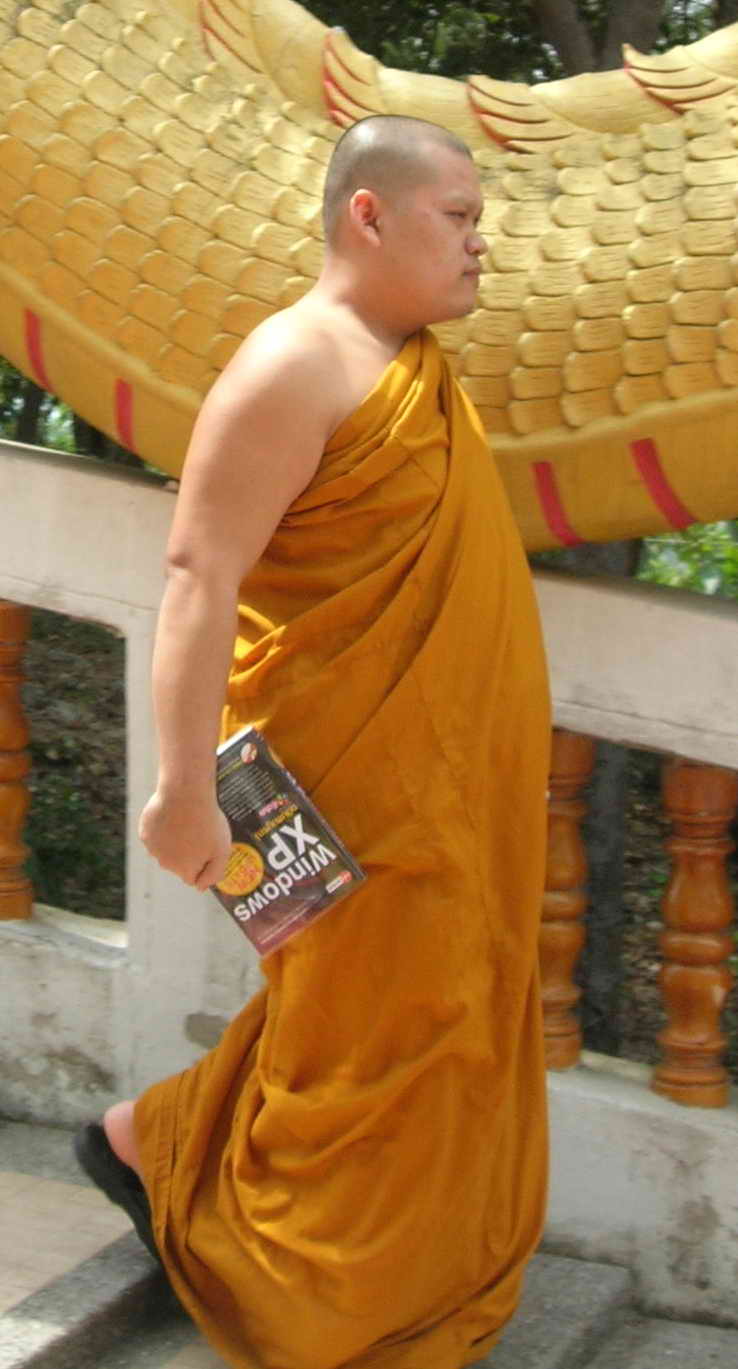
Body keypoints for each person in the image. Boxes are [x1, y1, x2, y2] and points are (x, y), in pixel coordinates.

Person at [75, 114, 552, 1369]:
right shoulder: (296, 362)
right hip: (331, 781)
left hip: (448, 781)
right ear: (369, 215)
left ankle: (152, 1138)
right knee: (372, 1034)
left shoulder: (409, 367)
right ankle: (302, 1286)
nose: (481, 244)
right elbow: (200, 573)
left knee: (415, 1017)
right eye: (460, 217)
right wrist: (183, 791)